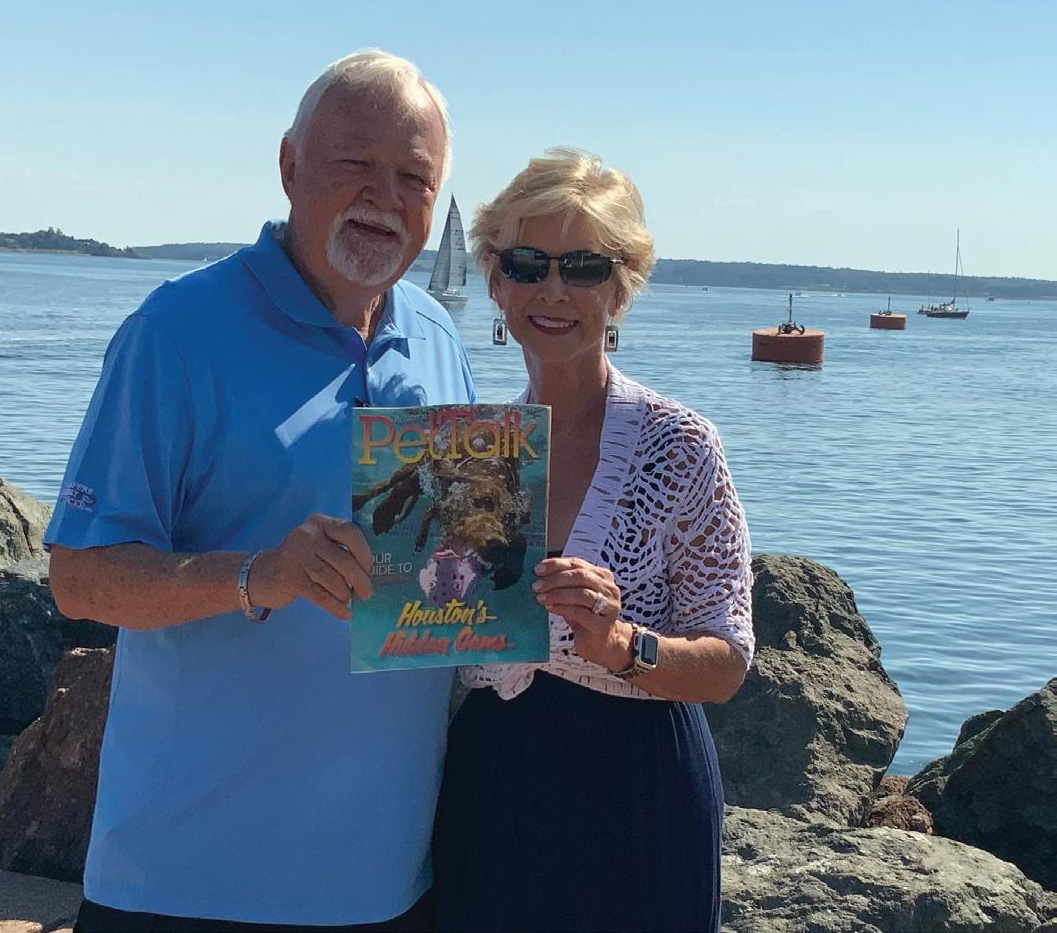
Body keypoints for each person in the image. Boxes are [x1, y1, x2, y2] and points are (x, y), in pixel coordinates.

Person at [46, 50, 476, 932]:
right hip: (186, 878)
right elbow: (80, 579)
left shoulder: (439, 338)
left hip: (388, 882)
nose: (383, 196)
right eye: (354, 163)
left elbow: (451, 577)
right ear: (289, 165)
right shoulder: (176, 330)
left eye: (413, 178)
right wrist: (258, 576)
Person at [432, 149, 754, 933]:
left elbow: (726, 665)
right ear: (494, 278)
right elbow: (431, 625)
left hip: (638, 790)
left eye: (582, 267)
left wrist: (620, 644)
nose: (552, 290)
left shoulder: (680, 447)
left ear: (620, 286)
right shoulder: (459, 450)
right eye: (526, 263)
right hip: (491, 786)